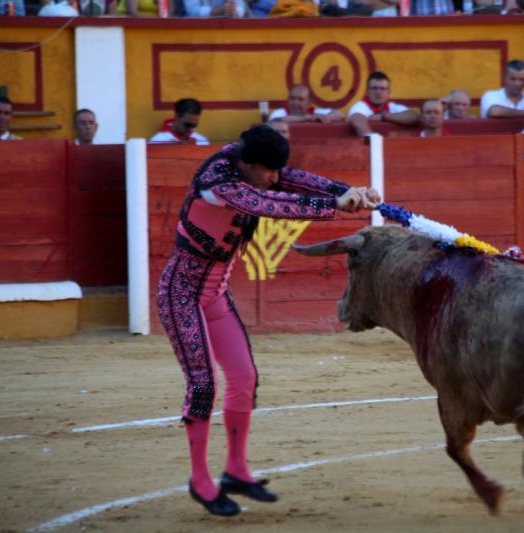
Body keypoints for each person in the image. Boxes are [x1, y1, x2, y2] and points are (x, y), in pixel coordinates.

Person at [156, 125, 379, 517]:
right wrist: (334, 205)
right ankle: (200, 480)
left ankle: (236, 470)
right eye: (268, 170)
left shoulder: (248, 161)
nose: (276, 176)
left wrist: (348, 191)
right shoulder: (218, 184)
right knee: (204, 385)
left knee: (243, 378)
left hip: (215, 293)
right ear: (248, 163)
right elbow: (267, 203)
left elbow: (291, 178)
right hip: (181, 295)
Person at [348, 71, 419, 137]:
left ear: (388, 92)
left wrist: (383, 117)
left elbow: (413, 117)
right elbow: (359, 125)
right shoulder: (360, 107)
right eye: (374, 88)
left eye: (383, 89)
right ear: (367, 92)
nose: (378, 92)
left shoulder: (392, 107)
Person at [267, 84, 343, 124]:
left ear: (309, 103)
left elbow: (339, 114)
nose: (295, 103)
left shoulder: (315, 112)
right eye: (292, 98)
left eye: (300, 99)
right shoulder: (279, 112)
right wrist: (308, 118)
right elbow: (276, 121)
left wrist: (325, 118)